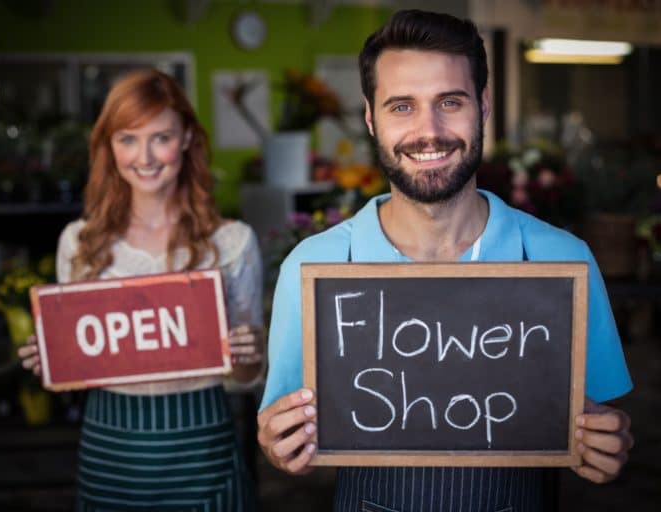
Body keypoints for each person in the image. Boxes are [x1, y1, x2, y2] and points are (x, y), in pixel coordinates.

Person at [257, 10, 634, 512]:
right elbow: (284, 430)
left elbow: (602, 423)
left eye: (449, 102)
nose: (428, 131)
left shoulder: (563, 261)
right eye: (401, 107)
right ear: (371, 118)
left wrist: (607, 445)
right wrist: (280, 446)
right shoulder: (313, 267)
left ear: (483, 105)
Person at [18, 69, 263, 511]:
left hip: (203, 449)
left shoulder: (233, 242)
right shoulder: (79, 242)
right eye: (128, 139)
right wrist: (50, 359)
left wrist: (251, 356)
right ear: (109, 148)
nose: (145, 156)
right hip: (109, 450)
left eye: (161, 137)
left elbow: (246, 378)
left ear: (187, 138)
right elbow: (72, 373)